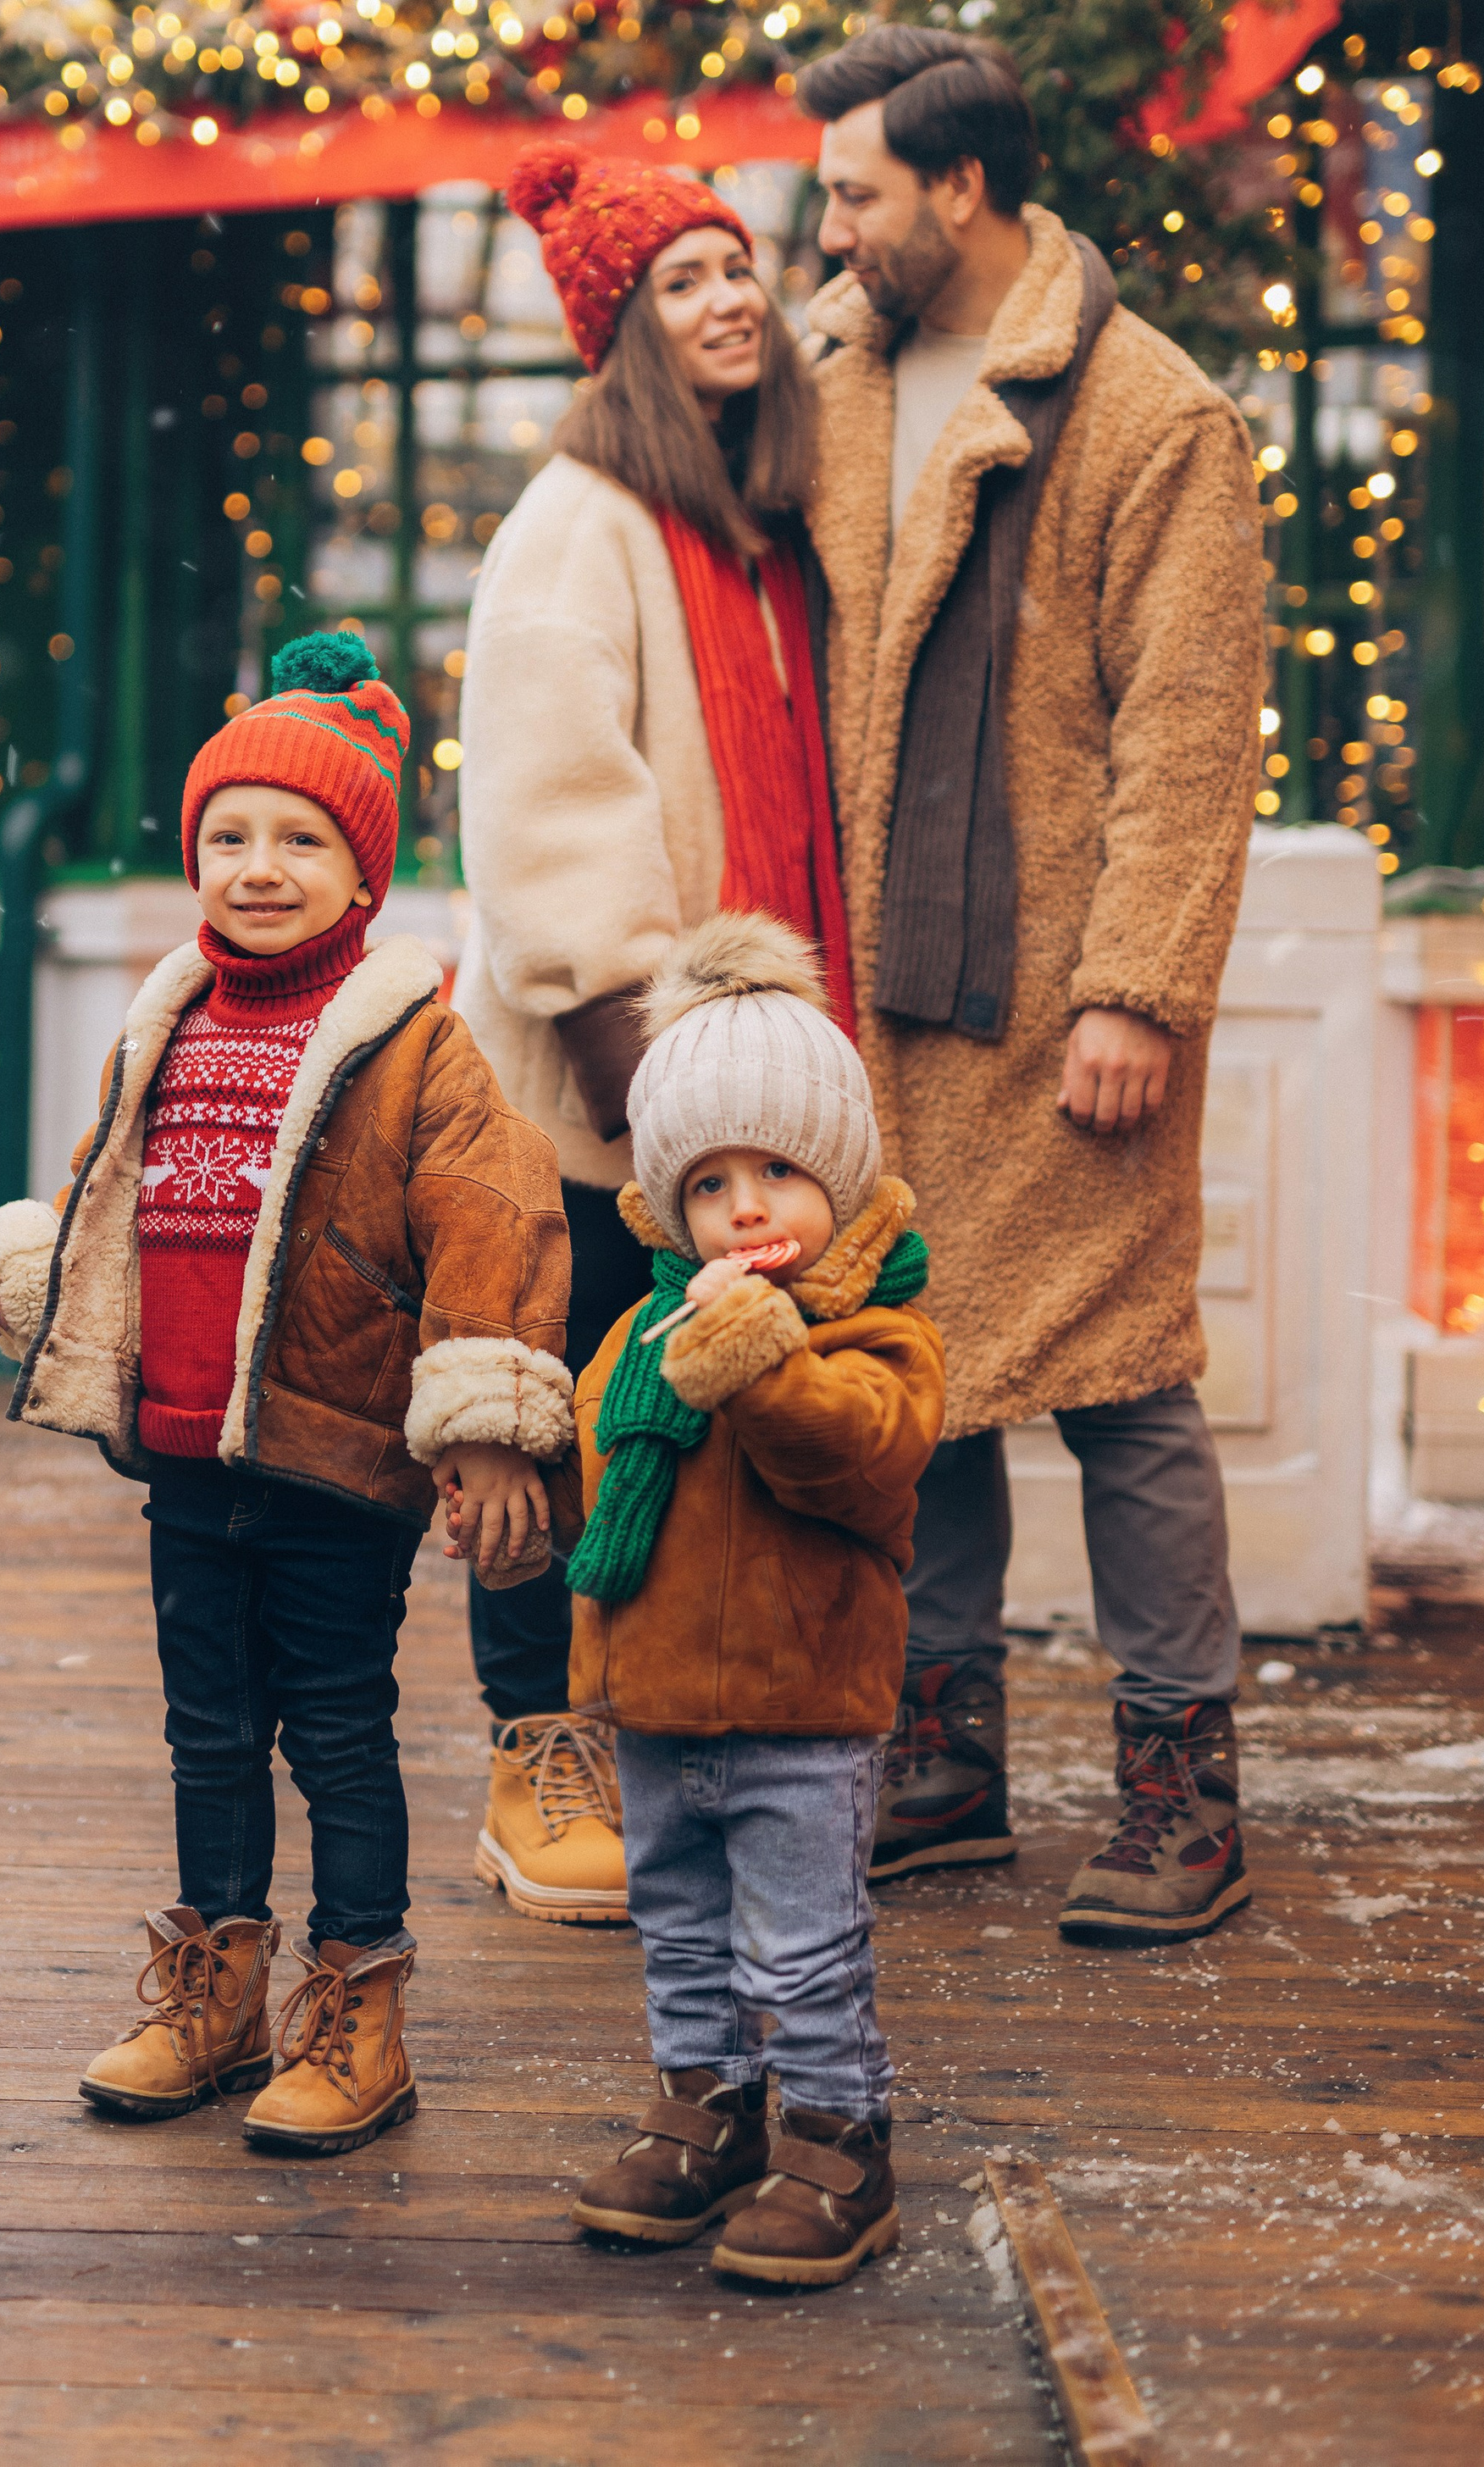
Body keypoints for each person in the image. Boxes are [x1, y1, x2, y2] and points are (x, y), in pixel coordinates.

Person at [0, 635, 573, 2150]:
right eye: (231, 837)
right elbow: (116, 1203)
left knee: (337, 1729)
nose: (261, 867)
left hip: (335, 1458)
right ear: (193, 857)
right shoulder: (166, 1026)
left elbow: (494, 1220)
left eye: (304, 841)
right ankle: (213, 1983)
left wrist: (482, 1425)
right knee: (205, 1730)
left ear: (365, 878)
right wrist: (22, 1287)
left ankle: (360, 2006)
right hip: (186, 1453)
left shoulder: (416, 1050)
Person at [789, 25, 1266, 1947]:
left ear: (960, 192)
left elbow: (1185, 726)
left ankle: (1180, 1789)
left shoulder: (1150, 416)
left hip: (1060, 985)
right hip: (870, 980)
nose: (825, 229)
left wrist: (1136, 987)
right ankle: (943, 1757)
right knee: (927, 1370)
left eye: (854, 194)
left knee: (1123, 1383)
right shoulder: (828, 378)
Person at [451, 144, 854, 1928]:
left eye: (736, 264)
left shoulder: (748, 531)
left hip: (729, 1085)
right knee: (559, 1420)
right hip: (604, 1093)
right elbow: (548, 824)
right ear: (618, 328)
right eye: (681, 276)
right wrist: (656, 1065)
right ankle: (536, 1748)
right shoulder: (576, 523)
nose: (728, 298)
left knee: (685, 1423)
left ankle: (671, 1734)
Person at [542, 911, 943, 2287]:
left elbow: (865, 1455)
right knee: (683, 1934)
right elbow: (603, 1472)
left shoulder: (871, 1333)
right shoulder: (643, 1336)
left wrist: (767, 1367)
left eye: (779, 1170)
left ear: (839, 1175)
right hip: (659, 1713)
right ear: (670, 1206)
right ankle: (703, 2109)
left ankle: (841, 2138)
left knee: (802, 1942)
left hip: (800, 1712)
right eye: (711, 1184)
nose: (747, 1206)